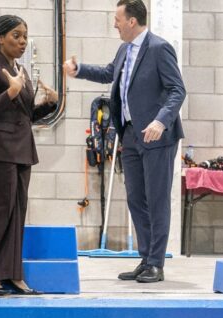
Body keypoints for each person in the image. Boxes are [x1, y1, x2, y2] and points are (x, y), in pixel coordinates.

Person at [64, 0, 186, 284]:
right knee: (135, 199)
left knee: (156, 200)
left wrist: (160, 121)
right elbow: (109, 74)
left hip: (157, 136)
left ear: (132, 21)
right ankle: (146, 259)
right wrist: (79, 69)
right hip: (130, 135)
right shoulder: (124, 50)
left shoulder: (158, 48)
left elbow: (177, 90)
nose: (114, 24)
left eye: (117, 19)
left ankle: (157, 262)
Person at [0, 15, 58, 296]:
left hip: (20, 151)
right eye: (16, 36)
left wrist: (49, 105)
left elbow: (27, 115)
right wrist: (10, 92)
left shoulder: (18, 68)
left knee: (17, 215)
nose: (22, 41)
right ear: (0, 38)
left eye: (24, 36)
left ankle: (12, 274)